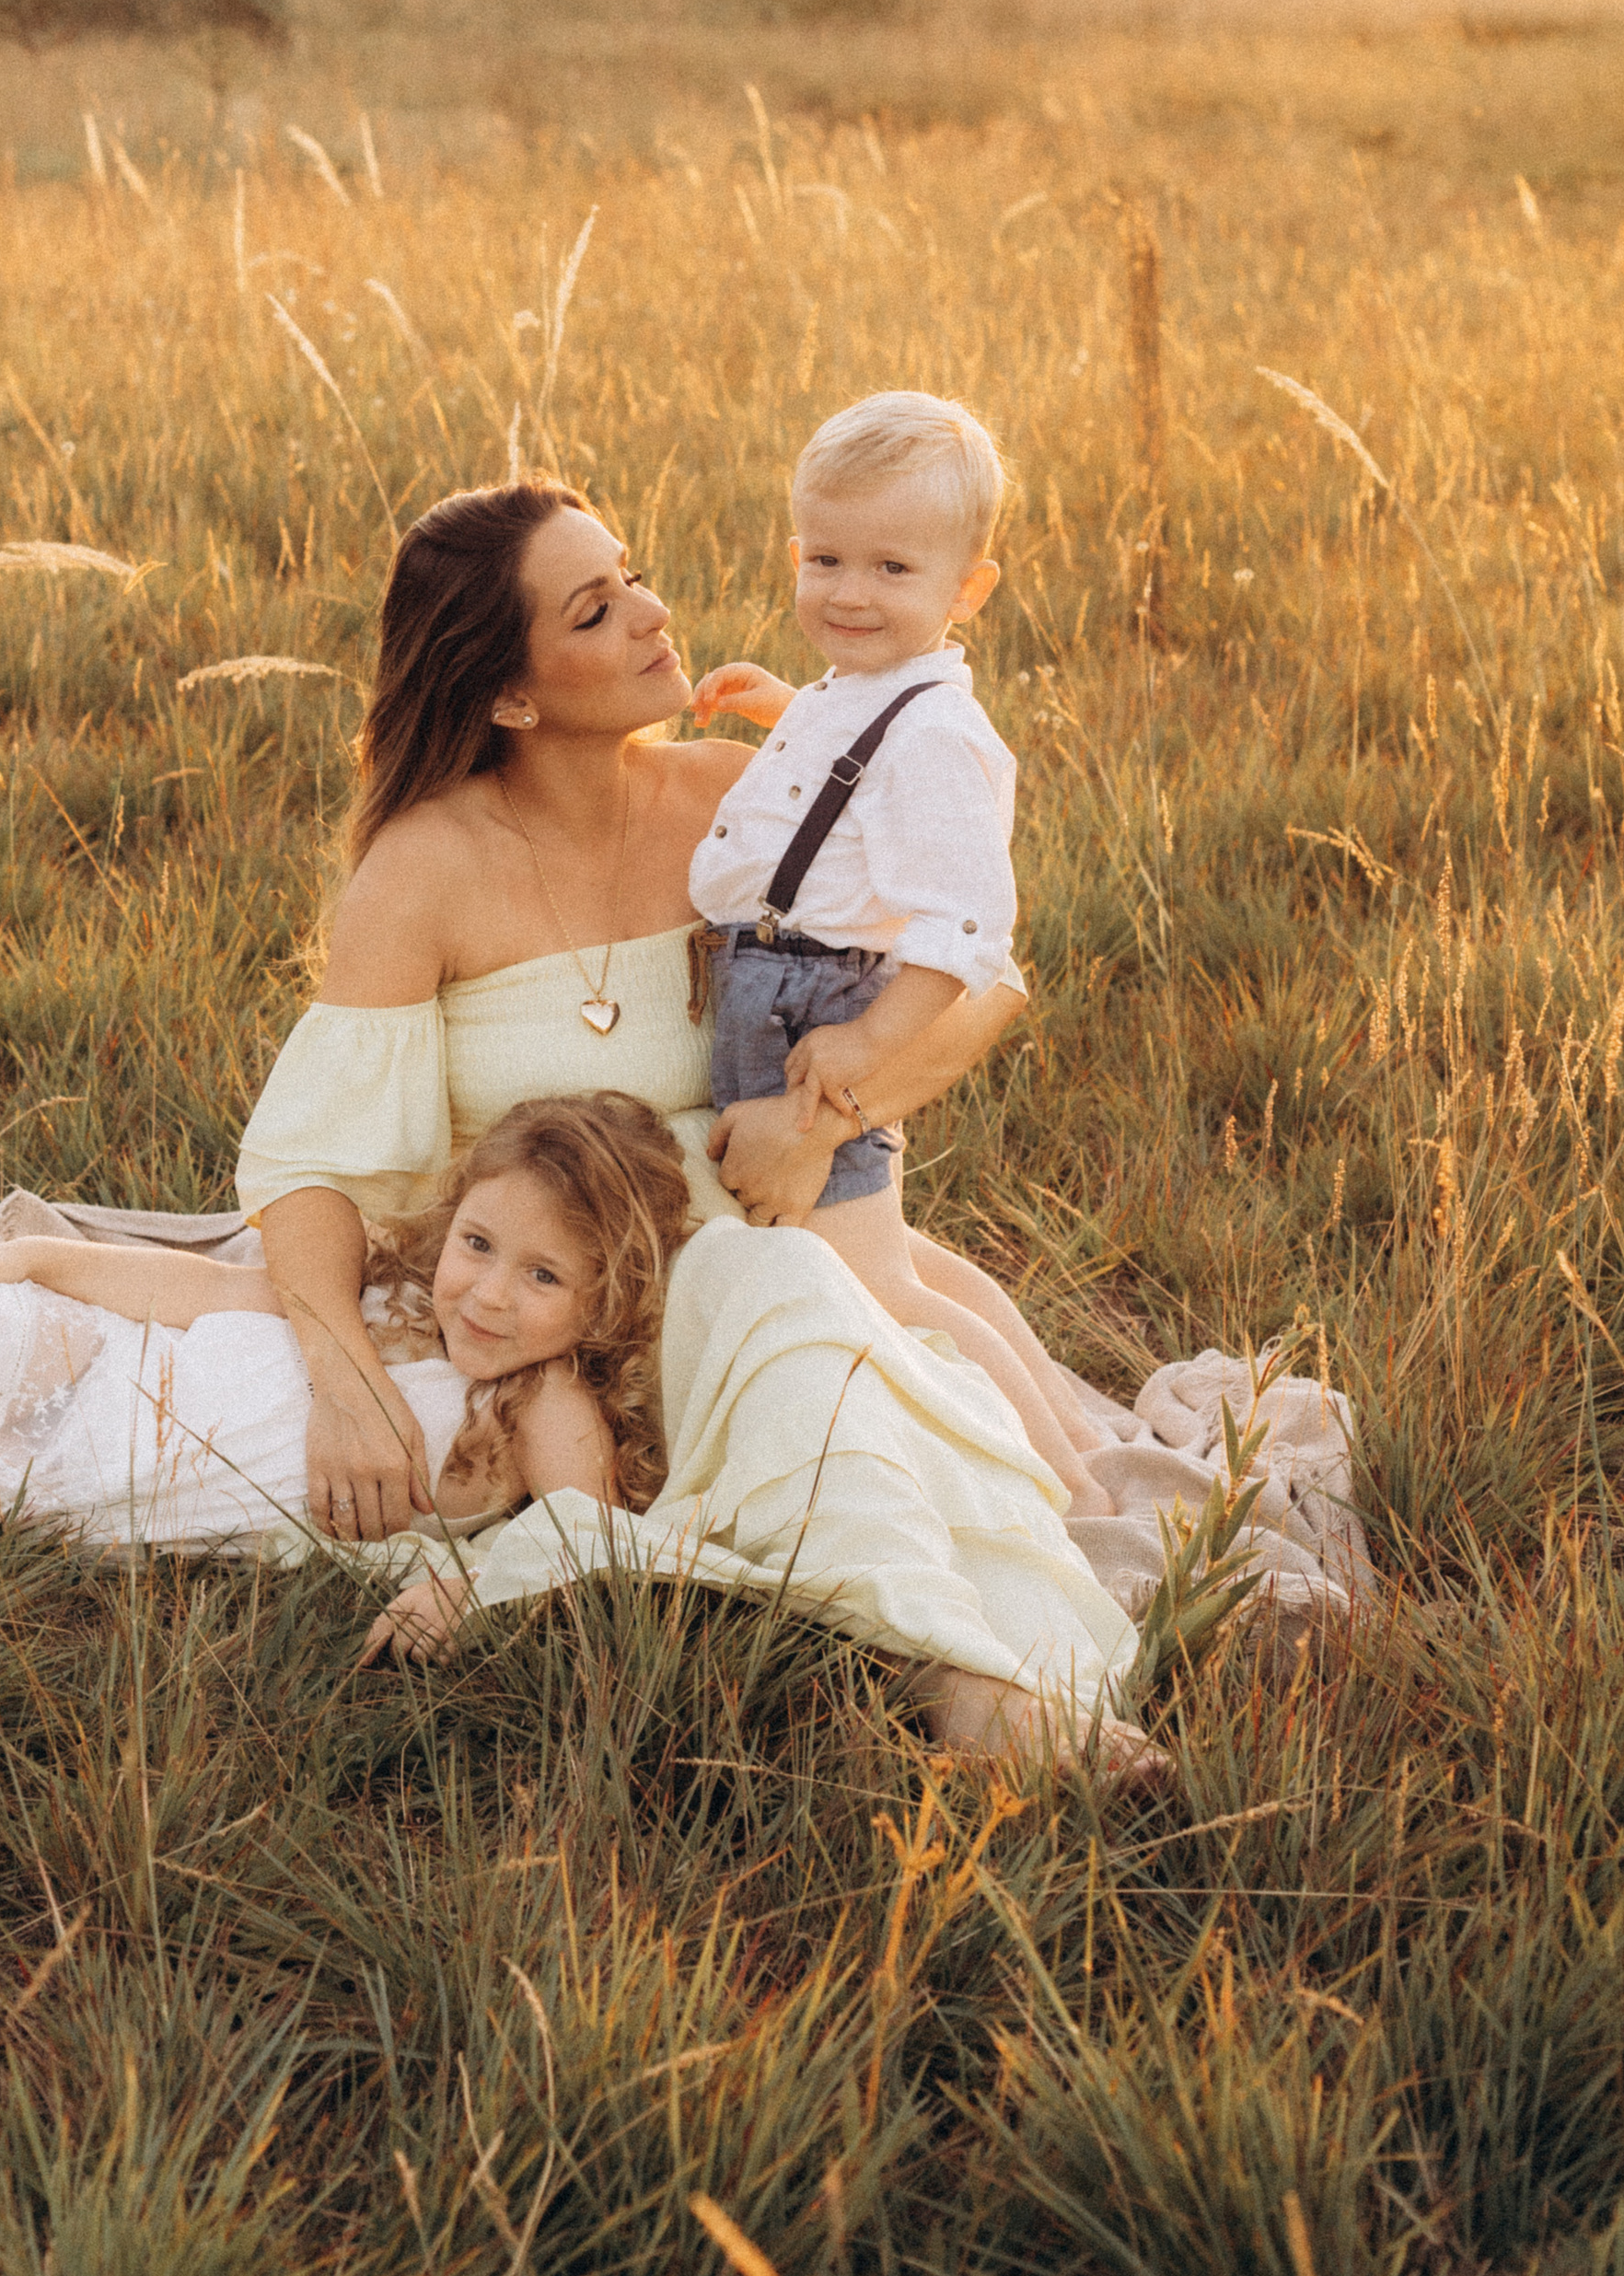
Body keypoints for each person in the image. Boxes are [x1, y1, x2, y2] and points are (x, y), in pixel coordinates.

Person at [230, 482, 1155, 1770]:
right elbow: (312, 1160)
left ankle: (981, 1679)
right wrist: (344, 1382)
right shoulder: (423, 870)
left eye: (635, 574)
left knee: (817, 1308)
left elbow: (979, 978)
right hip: (580, 1278)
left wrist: (829, 1121)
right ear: (511, 694)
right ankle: (965, 1682)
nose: (656, 615)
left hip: (771, 1225)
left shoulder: (745, 799)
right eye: (599, 612)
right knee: (798, 1316)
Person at [0, 1090, 693, 1630]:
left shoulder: (542, 1401)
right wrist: (43, 1259)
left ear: (606, 1300)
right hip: (101, 1365)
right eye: (477, 1245)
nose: (486, 1295)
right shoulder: (386, 1296)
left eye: (542, 1277)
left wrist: (468, 1593)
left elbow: (586, 1546)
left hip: (97, 1471)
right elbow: (205, 1291)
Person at [690, 390, 1112, 1509]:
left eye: (892, 569)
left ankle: (1069, 1496)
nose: (849, 592)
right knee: (899, 1260)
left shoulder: (931, 735)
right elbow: (850, 778)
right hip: (784, 990)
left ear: (965, 590)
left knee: (873, 1286)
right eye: (825, 558)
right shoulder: (867, 696)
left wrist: (865, 1042)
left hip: (810, 1012)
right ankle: (1075, 1441)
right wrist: (784, 712)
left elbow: (963, 931)